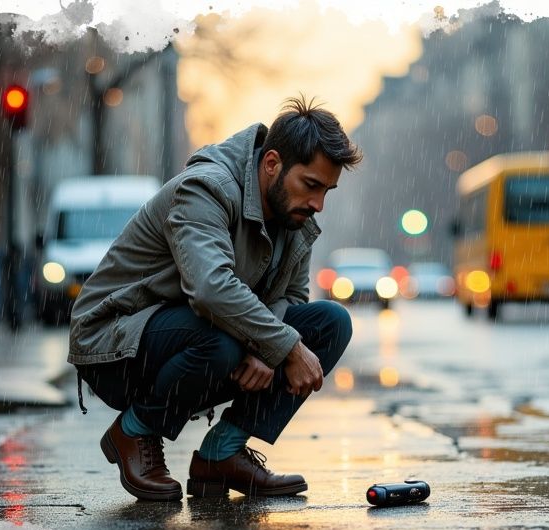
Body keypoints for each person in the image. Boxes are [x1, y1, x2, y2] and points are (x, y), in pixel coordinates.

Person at [67, 96, 361, 501]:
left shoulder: (296, 218)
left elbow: (292, 297)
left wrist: (269, 347)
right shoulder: (207, 188)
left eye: (326, 190)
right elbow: (209, 289)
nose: (318, 204)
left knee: (330, 322)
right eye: (310, 185)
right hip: (116, 341)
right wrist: (280, 344)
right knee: (224, 341)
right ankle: (134, 432)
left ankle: (220, 455)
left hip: (202, 333)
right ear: (272, 163)